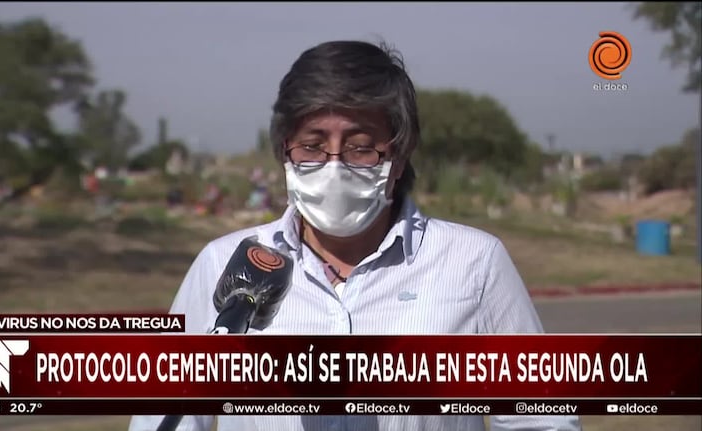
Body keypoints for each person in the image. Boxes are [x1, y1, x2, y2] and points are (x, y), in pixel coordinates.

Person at [129, 40, 582, 431]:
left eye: (361, 146)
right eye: (311, 144)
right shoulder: (221, 265)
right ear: (284, 152)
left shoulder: (474, 263)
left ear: (399, 157)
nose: (333, 165)